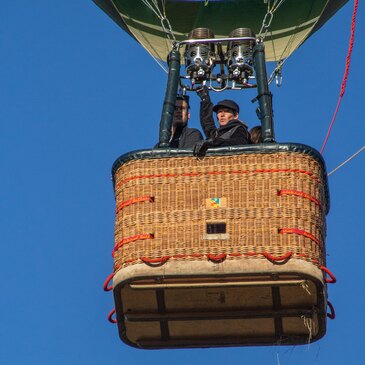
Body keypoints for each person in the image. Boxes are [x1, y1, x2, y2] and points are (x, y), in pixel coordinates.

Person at [193, 86, 250, 157]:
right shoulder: (216, 134)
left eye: (227, 111)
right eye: (219, 112)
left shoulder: (239, 129)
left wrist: (214, 142)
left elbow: (240, 143)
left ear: (235, 116)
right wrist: (205, 99)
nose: (222, 115)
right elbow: (207, 123)